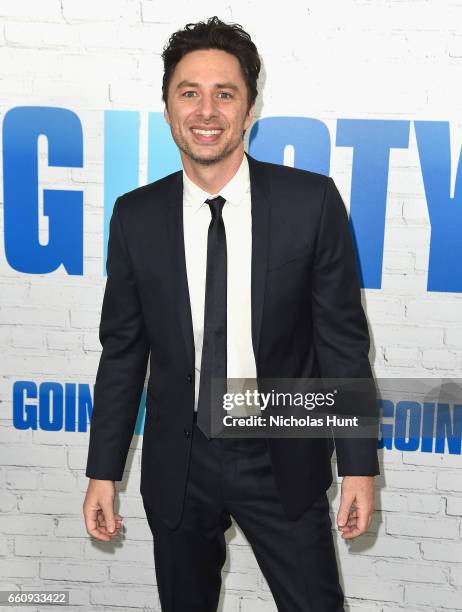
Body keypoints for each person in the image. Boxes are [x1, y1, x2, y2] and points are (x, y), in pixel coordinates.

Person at [83, 16, 380, 611]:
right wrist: (102, 471)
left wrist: (358, 467)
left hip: (280, 454)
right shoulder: (136, 216)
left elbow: (341, 343)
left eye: (226, 94)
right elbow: (123, 354)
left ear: (249, 110)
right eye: (188, 92)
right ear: (167, 108)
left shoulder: (310, 203)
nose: (206, 110)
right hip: (179, 463)